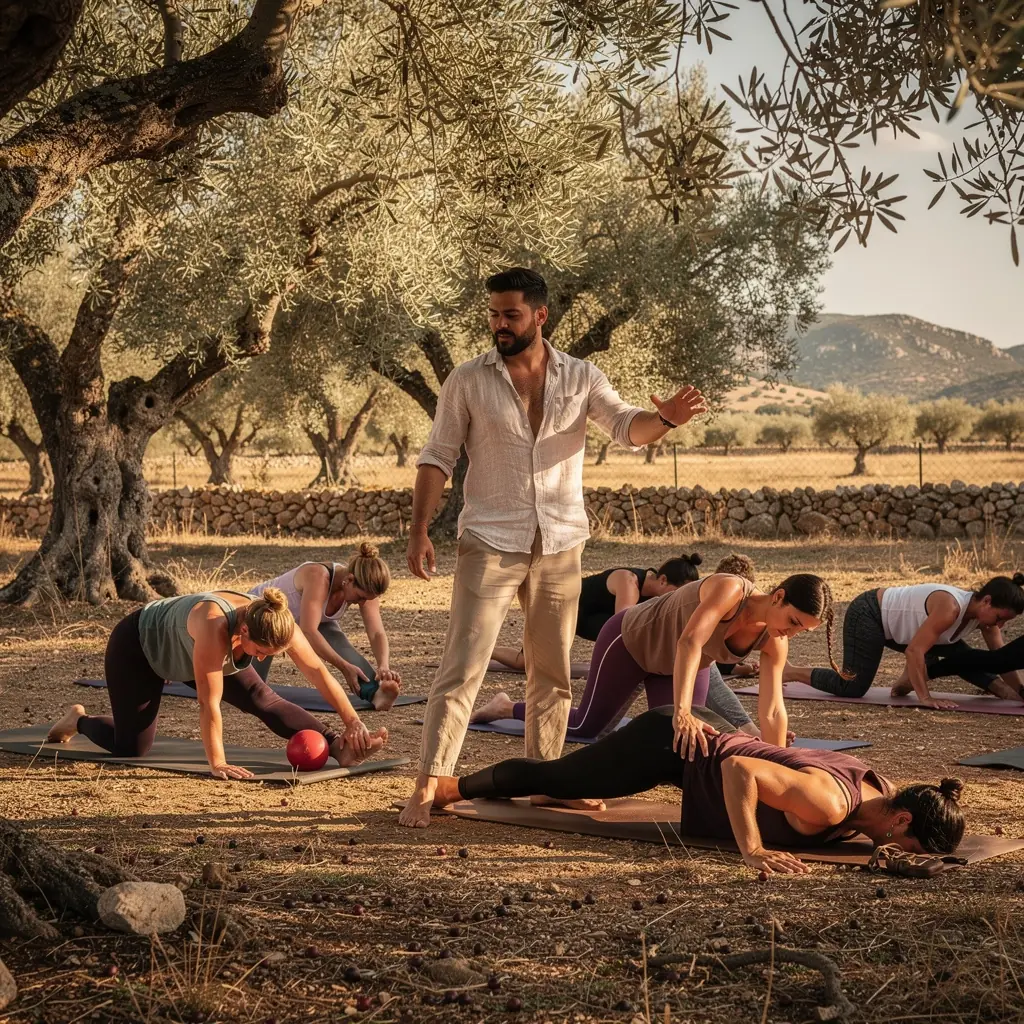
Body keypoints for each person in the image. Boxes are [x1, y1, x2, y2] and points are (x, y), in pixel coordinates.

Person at [400, 266, 708, 828]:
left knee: (553, 674)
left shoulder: (582, 376)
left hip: (561, 543)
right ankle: (429, 782)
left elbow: (627, 427)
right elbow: (437, 456)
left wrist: (664, 418)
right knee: (463, 667)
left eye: (511, 314)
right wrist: (419, 529)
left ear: (540, 315)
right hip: (489, 540)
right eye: (493, 314)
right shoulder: (467, 380)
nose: (499, 324)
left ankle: (546, 783)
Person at [427, 707, 966, 876]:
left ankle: (557, 793)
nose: (907, 855)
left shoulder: (881, 791)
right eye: (914, 847)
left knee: (569, 782)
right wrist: (752, 850)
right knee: (555, 775)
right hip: (668, 745)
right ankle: (449, 787)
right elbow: (740, 771)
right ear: (900, 821)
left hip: (701, 743)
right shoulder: (829, 804)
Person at [47, 588, 388, 779]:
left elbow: (319, 674)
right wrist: (218, 762)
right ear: (244, 631)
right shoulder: (214, 625)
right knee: (132, 748)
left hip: (185, 651)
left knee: (261, 696)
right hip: (138, 648)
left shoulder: (277, 622)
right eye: (259, 652)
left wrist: (352, 722)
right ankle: (78, 720)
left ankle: (336, 747)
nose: (261, 659)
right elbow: (209, 703)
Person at [474, 553, 780, 743]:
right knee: (585, 726)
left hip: (667, 658)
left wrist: (749, 734)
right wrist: (679, 709)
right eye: (793, 622)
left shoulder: (771, 632)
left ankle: (742, 737)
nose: (791, 632)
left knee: (680, 739)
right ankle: (505, 706)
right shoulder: (629, 581)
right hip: (626, 640)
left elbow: (707, 662)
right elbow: (645, 625)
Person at [784, 574, 1024, 707]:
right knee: (852, 687)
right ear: (987, 601)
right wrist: (925, 698)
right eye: (1000, 618)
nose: (1000, 625)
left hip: (903, 631)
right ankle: (791, 671)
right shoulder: (950, 608)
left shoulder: (986, 622)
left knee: (962, 655)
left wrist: (1019, 691)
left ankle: (909, 678)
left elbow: (1001, 661)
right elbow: (914, 650)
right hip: (869, 614)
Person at [249, 543, 401, 710]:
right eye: (360, 597)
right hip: (259, 617)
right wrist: (343, 667)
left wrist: (384, 665)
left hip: (299, 622)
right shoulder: (318, 577)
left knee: (337, 640)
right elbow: (308, 631)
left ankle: (375, 692)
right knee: (252, 690)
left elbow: (377, 632)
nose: (362, 603)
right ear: (349, 580)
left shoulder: (366, 587)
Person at [489, 553, 704, 671]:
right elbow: (624, 630)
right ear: (663, 580)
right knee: (525, 663)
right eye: (677, 593)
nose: (677, 600)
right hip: (559, 609)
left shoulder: (654, 595)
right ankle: (485, 652)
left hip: (583, 620)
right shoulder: (629, 582)